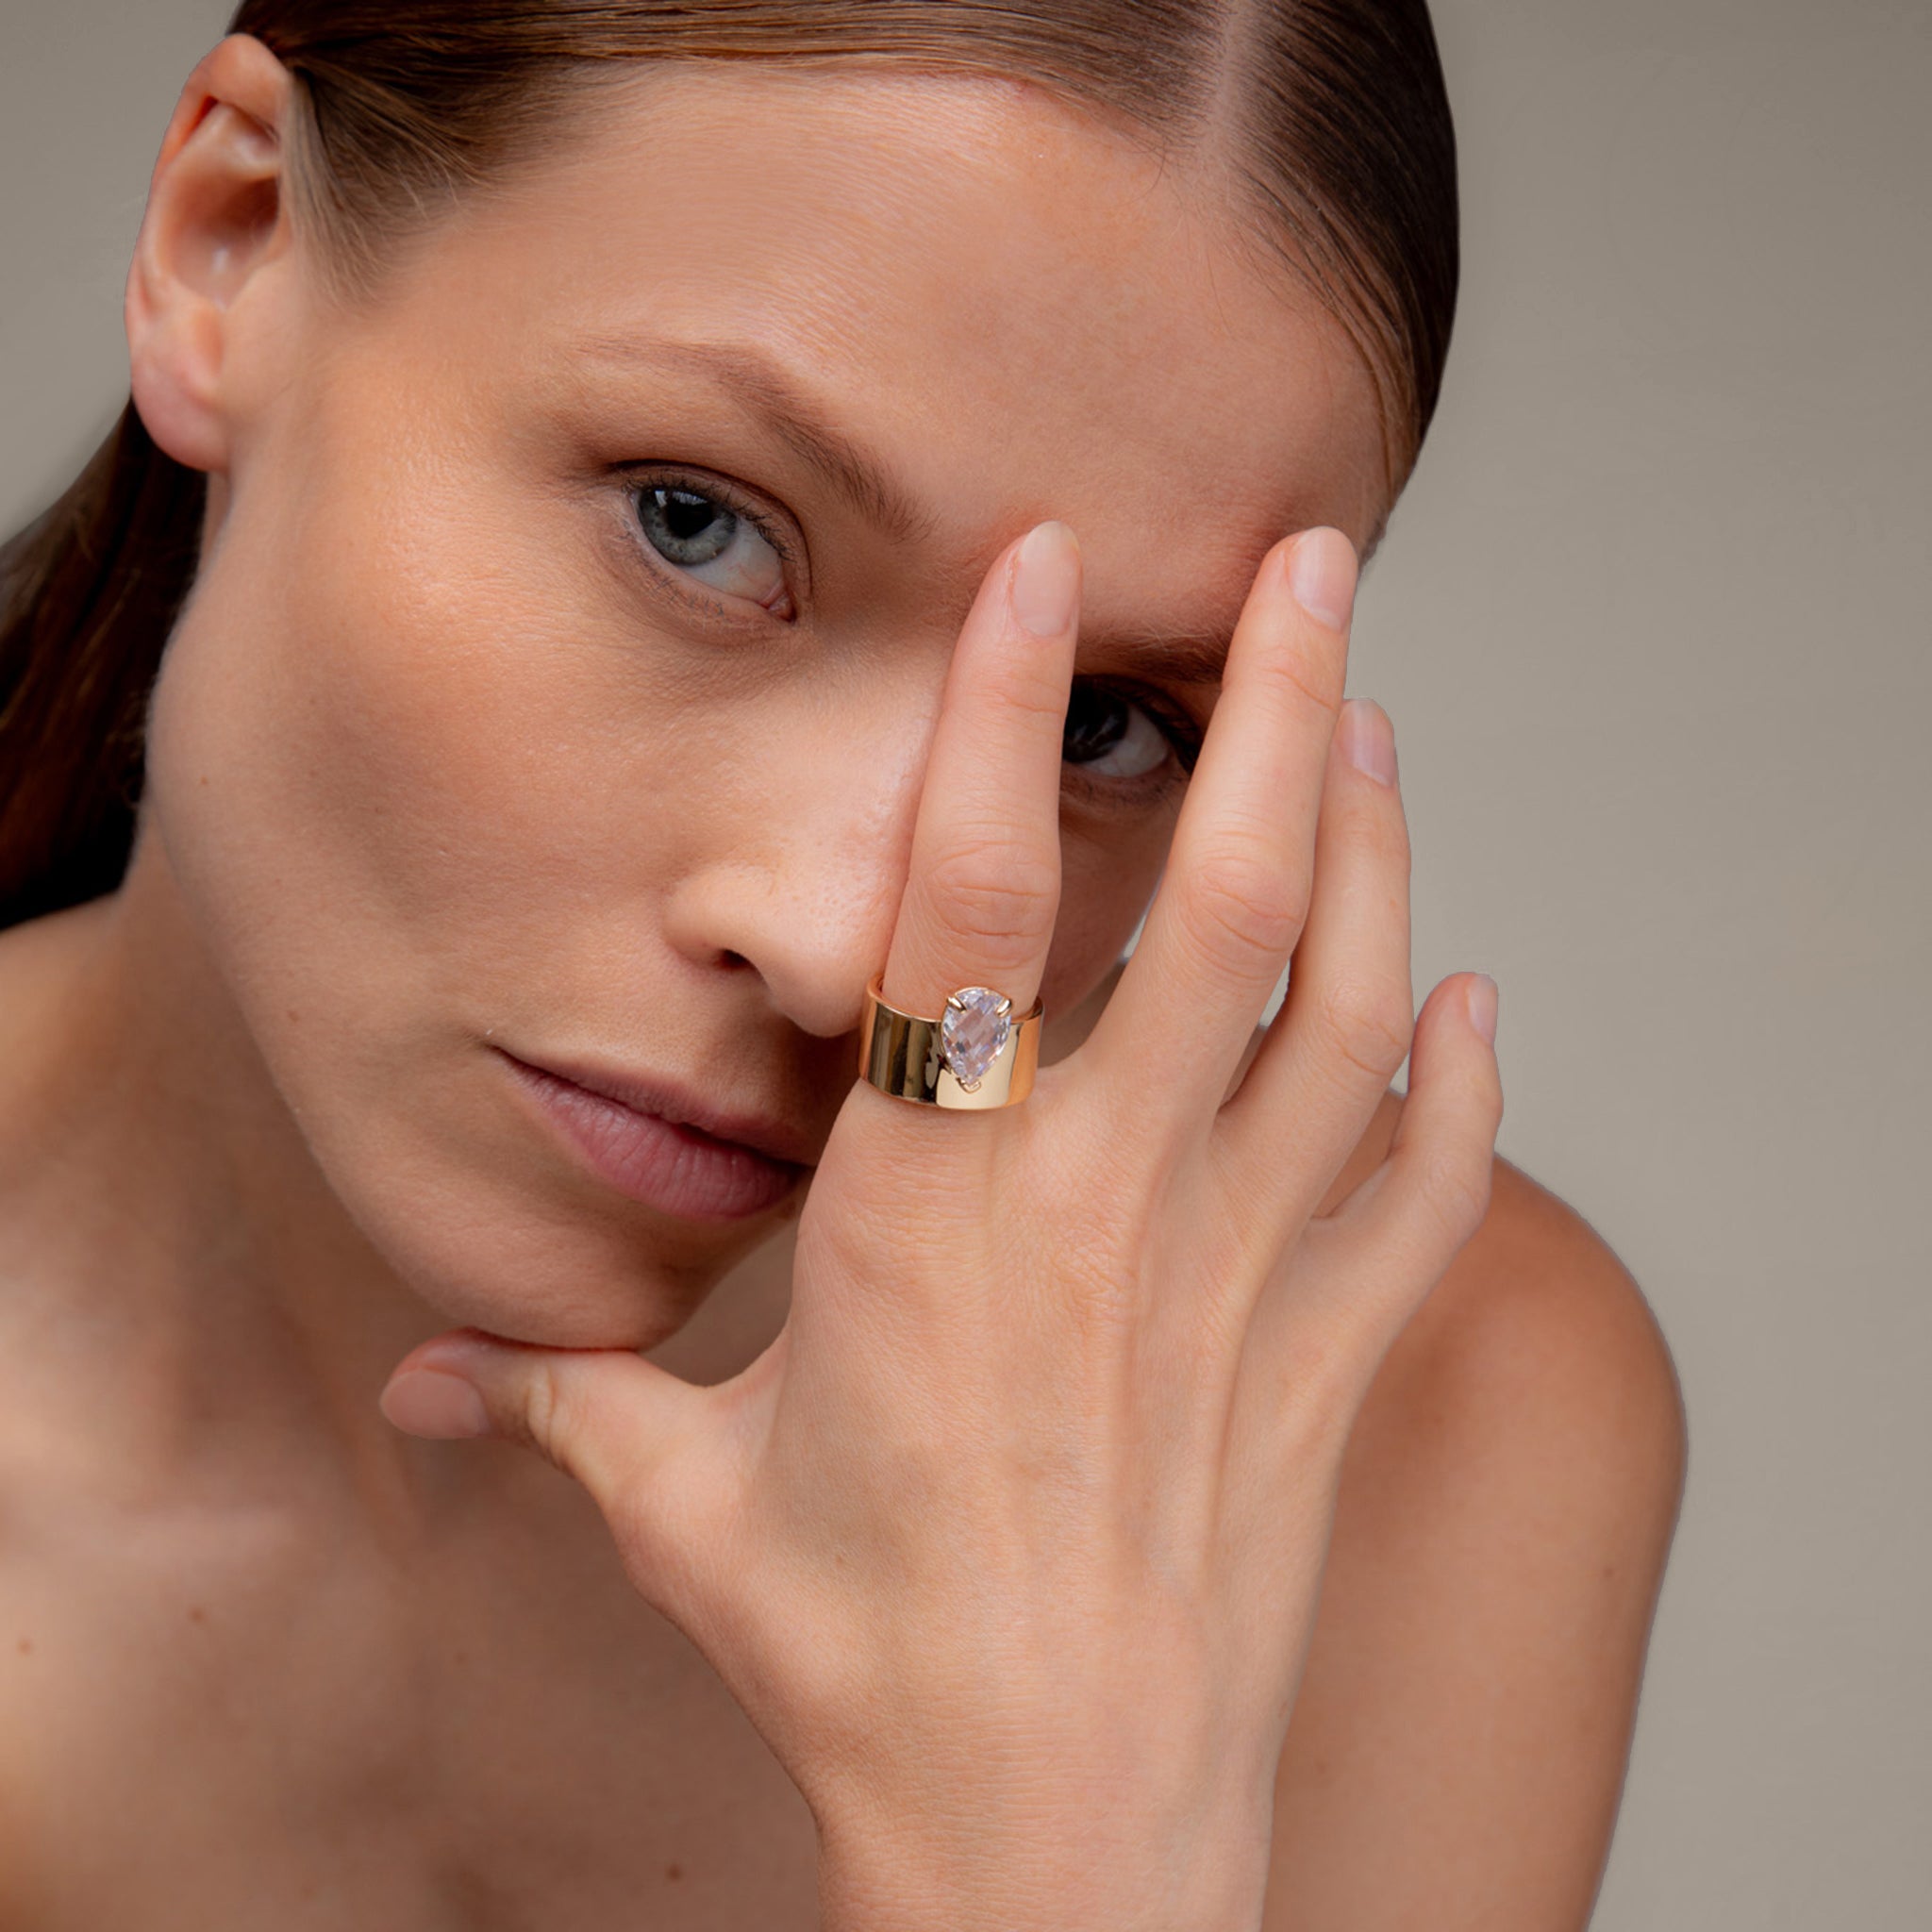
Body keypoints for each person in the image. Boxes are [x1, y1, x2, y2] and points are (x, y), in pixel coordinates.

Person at [0, 4, 1688, 1925]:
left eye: (1100, 724)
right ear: (233, 245)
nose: (832, 949)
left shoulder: (1420, 1415)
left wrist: (1053, 1843)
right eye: (694, 524)